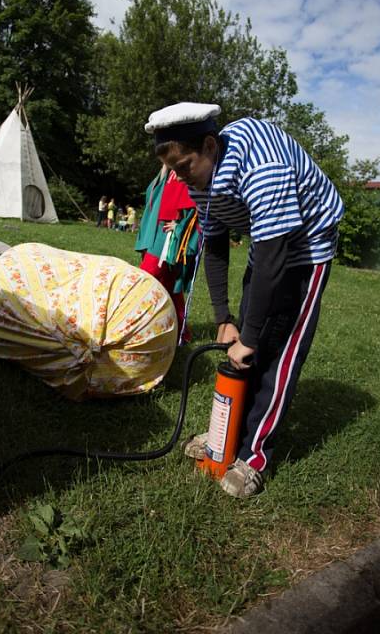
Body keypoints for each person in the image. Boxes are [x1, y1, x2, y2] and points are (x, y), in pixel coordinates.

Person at [144, 102, 344, 498]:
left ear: (209, 146)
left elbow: (275, 257)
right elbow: (214, 244)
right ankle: (227, 436)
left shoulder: (263, 168)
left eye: (184, 166)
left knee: (277, 351)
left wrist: (250, 337)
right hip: (267, 243)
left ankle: (254, 457)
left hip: (307, 244)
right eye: (174, 170)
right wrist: (225, 318)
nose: (181, 179)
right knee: (248, 343)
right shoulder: (199, 180)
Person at [0, 243, 178, 401]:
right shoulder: (141, 296)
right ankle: (79, 349)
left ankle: (77, 350)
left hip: (143, 308)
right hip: (147, 305)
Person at [135, 164, 199, 342]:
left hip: (168, 237)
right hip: (156, 233)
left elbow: (197, 208)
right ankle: (181, 332)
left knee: (147, 279)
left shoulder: (186, 172)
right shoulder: (168, 172)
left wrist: (180, 226)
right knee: (169, 284)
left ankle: (135, 323)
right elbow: (154, 197)